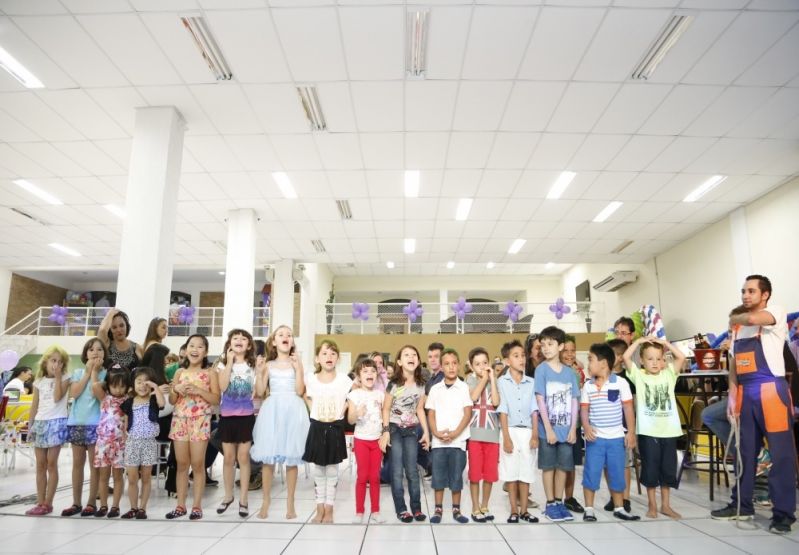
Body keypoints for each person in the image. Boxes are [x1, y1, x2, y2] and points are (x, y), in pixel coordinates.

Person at [711, 275, 796, 534]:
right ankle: (742, 505)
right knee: (745, 452)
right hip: (746, 393)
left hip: (772, 391)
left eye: (751, 291)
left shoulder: (774, 313)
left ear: (765, 294)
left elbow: (751, 318)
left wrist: (733, 317)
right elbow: (735, 366)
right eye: (743, 291)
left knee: (781, 455)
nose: (746, 295)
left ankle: (783, 514)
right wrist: (733, 396)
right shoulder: (739, 330)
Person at [623, 335, 686, 519]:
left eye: (659, 359)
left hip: (669, 431)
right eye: (650, 359)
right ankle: (652, 504)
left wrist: (666, 344)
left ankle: (665, 505)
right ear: (642, 361)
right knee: (650, 469)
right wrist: (639, 342)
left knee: (667, 469)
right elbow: (626, 358)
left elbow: (681, 358)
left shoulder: (669, 375)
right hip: (648, 432)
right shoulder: (639, 376)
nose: (655, 363)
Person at [250, 325, 309, 520]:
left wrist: (299, 367)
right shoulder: (268, 364)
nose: (286, 337)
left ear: (292, 342)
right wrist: (259, 373)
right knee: (268, 459)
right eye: (281, 334)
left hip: (293, 408)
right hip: (273, 409)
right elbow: (259, 391)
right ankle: (265, 501)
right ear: (274, 341)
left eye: (290, 335)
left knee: (291, 459)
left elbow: (300, 391)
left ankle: (290, 502)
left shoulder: (296, 364)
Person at [580, 343, 639, 522]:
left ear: (604, 363)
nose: (588, 364)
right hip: (595, 439)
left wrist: (631, 433)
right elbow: (584, 411)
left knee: (616, 473)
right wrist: (587, 427)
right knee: (591, 472)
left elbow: (628, 409)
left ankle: (619, 507)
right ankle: (589, 508)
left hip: (616, 439)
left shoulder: (620, 383)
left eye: (590, 360)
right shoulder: (588, 386)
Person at [166, 334, 220, 520]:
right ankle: (180, 505)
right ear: (186, 349)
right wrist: (175, 390)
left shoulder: (211, 373)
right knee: (181, 464)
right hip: (180, 420)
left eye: (199, 346)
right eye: (191, 345)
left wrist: (199, 391)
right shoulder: (179, 373)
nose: (195, 349)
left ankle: (197, 506)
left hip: (200, 421)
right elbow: (172, 401)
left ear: (205, 352)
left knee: (197, 465)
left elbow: (216, 399)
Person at [379, 344, 430, 523]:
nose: (411, 357)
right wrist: (385, 432)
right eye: (406, 355)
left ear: (418, 360)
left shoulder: (422, 385)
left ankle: (416, 508)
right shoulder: (394, 384)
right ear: (400, 361)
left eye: (414, 354)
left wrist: (426, 433)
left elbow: (420, 409)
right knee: (397, 472)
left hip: (411, 430)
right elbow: (385, 409)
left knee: (412, 471)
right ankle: (401, 509)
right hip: (394, 428)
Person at [303, 340, 353, 523]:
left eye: (333, 353)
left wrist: (345, 407)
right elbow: (303, 394)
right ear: (317, 358)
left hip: (335, 427)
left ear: (338, 358)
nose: (329, 357)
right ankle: (319, 507)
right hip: (317, 426)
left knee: (332, 470)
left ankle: (329, 507)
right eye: (324, 353)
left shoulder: (344, 380)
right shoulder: (311, 379)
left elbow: (354, 396)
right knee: (319, 470)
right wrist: (312, 409)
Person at [535, 326, 580, 522]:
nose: (546, 348)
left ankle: (560, 502)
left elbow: (574, 401)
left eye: (550, 344)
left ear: (560, 346)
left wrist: (572, 428)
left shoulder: (570, 373)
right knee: (549, 467)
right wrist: (549, 429)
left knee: (563, 467)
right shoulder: (541, 370)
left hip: (566, 430)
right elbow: (540, 400)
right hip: (548, 431)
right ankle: (550, 502)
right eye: (543, 344)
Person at [61, 338, 107, 517]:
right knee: (77, 465)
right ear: (85, 354)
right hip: (76, 422)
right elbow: (74, 393)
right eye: (91, 349)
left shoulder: (106, 375)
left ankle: (90, 503)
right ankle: (76, 502)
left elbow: (100, 396)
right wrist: (87, 373)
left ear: (104, 354)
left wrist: (95, 373)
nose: (95, 352)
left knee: (94, 465)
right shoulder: (79, 372)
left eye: (100, 349)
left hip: (96, 423)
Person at [426, 348, 472, 524]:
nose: (451, 367)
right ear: (441, 367)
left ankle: (456, 509)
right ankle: (438, 509)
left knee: (456, 477)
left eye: (454, 363)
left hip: (458, 442)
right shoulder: (435, 389)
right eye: (447, 364)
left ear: (459, 366)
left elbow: (467, 414)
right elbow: (431, 413)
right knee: (438, 477)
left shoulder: (464, 387)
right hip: (439, 442)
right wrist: (436, 432)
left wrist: (455, 433)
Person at [496, 339, 539, 523]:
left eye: (523, 355)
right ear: (507, 361)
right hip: (510, 431)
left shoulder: (531, 382)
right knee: (511, 472)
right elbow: (503, 410)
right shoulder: (502, 382)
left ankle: (524, 510)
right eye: (516, 356)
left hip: (528, 431)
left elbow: (534, 409)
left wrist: (535, 434)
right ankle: (513, 510)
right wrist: (506, 437)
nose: (521, 359)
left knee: (526, 471)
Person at [216, 329, 257, 518]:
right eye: (235, 338)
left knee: (243, 457)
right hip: (227, 416)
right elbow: (222, 387)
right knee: (228, 458)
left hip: (246, 417)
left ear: (248, 345)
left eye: (243, 339)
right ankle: (228, 496)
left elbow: (259, 390)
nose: (239, 341)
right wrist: (230, 362)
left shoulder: (253, 366)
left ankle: (243, 500)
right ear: (229, 343)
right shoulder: (222, 365)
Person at [25, 345, 70, 516]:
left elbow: (58, 397)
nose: (56, 364)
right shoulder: (38, 382)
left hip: (56, 422)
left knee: (52, 464)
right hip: (40, 423)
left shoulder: (65, 378)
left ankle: (48, 503)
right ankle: (40, 501)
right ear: (45, 362)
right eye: (53, 360)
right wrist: (30, 426)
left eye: (60, 362)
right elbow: (34, 405)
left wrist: (58, 377)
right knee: (40, 465)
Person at [121, 367, 165, 519]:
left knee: (146, 477)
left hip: (149, 443)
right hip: (133, 442)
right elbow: (125, 422)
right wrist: (124, 438)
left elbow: (162, 403)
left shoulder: (153, 401)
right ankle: (133, 507)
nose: (142, 385)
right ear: (132, 384)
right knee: (132, 477)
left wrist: (156, 388)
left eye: (146, 382)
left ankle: (142, 508)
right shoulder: (129, 402)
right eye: (138, 382)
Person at [347, 358, 386, 524]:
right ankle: (359, 511)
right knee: (362, 476)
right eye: (365, 371)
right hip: (361, 440)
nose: (369, 374)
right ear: (358, 376)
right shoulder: (354, 395)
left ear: (376, 375)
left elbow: (386, 415)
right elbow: (350, 419)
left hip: (376, 441)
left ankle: (376, 511)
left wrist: (385, 433)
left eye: (372, 371)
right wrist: (358, 413)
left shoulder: (380, 395)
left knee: (375, 476)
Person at [465, 346, 500, 523]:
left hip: (492, 434)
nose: (481, 367)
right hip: (475, 434)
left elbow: (495, 402)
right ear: (471, 366)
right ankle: (474, 506)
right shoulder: (469, 380)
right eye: (477, 364)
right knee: (475, 473)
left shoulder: (495, 380)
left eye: (485, 363)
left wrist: (492, 379)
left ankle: (485, 505)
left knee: (489, 473)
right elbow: (472, 397)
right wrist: (484, 378)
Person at [91, 366, 129, 518]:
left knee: (118, 476)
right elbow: (95, 385)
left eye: (122, 386)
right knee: (103, 476)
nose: (118, 390)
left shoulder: (128, 401)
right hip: (103, 443)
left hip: (120, 444)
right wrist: (109, 377)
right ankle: (103, 505)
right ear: (108, 385)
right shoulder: (105, 398)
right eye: (114, 385)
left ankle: (115, 506)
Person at [605, 338, 636, 512]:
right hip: (605, 429)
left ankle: (625, 498)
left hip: (623, 429)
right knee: (607, 465)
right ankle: (613, 496)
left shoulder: (628, 378)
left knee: (624, 464)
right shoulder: (602, 377)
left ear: (620, 357)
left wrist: (632, 431)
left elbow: (632, 406)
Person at [560, 334, 586, 514]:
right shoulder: (551, 370)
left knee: (570, 465)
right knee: (558, 465)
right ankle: (554, 499)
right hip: (557, 426)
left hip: (574, 426)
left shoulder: (576, 374)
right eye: (566, 351)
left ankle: (568, 498)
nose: (569, 354)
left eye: (573, 351)